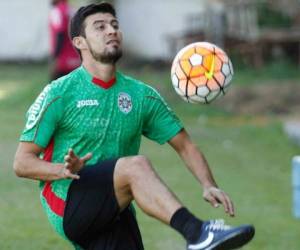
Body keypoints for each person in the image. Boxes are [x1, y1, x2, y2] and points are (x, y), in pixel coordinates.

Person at [14, 2, 255, 250]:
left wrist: (208, 184)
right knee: (135, 166)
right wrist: (61, 170)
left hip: (116, 203)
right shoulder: (59, 93)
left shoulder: (141, 95)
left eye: (115, 25)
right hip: (68, 200)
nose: (111, 31)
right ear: (79, 42)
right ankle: (197, 233)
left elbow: (185, 145)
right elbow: (22, 163)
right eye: (100, 27)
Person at [49, 0, 80, 80]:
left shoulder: (57, 11)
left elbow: (60, 34)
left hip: (63, 60)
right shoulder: (72, 10)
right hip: (76, 59)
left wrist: (55, 58)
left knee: (55, 90)